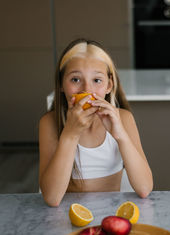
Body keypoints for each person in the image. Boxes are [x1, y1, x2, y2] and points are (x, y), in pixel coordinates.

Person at [39, 38, 153, 207]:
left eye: (97, 80)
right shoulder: (49, 123)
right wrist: (70, 134)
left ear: (109, 85)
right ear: (61, 84)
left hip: (111, 214)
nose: (87, 90)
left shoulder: (124, 118)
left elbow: (144, 188)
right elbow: (52, 198)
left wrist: (120, 135)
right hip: (69, 216)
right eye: (75, 79)